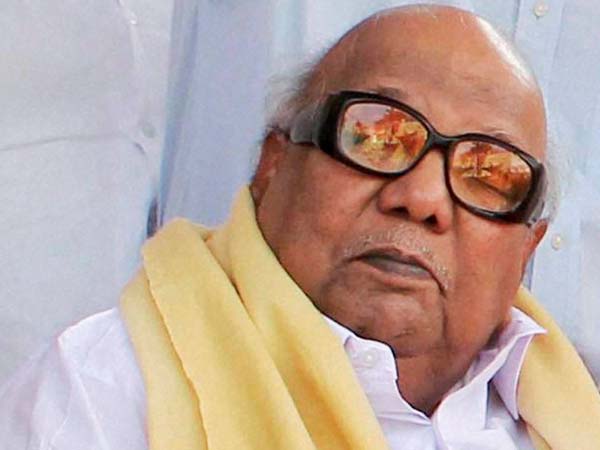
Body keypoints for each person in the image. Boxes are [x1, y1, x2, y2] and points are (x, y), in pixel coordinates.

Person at [1, 4, 599, 449]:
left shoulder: (570, 412)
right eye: (376, 135)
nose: (421, 199)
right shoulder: (104, 393)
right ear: (273, 163)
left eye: (488, 173)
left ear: (527, 249)